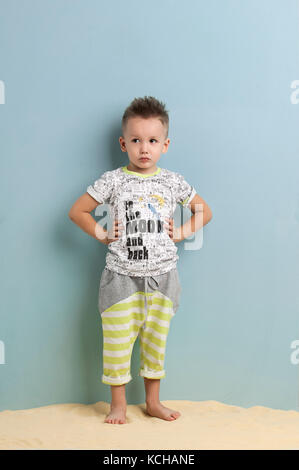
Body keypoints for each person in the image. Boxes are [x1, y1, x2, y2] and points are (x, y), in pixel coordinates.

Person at [68, 96, 213, 424]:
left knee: (154, 343)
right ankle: (117, 405)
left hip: (163, 278)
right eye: (136, 140)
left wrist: (181, 231)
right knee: (117, 344)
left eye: (152, 141)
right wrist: (103, 234)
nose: (144, 148)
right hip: (120, 278)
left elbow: (204, 210)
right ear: (123, 143)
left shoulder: (172, 181)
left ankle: (153, 403)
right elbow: (77, 211)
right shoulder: (113, 180)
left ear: (165, 144)